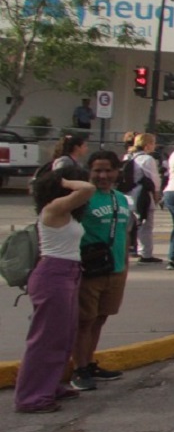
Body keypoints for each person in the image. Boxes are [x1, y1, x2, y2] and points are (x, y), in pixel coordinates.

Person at [13, 166, 95, 412]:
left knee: (63, 335)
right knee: (45, 338)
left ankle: (50, 384)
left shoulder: (64, 212)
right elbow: (88, 189)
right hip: (53, 275)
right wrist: (69, 181)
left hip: (67, 273)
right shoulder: (54, 208)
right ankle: (31, 397)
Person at [69, 150, 133, 392]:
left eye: (108, 170)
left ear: (117, 172)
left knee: (100, 319)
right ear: (89, 172)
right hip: (89, 271)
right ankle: (79, 368)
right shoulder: (82, 199)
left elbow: (125, 234)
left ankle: (90, 361)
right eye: (97, 170)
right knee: (84, 321)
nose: (103, 175)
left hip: (115, 269)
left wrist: (124, 265)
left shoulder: (121, 199)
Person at [123, 133, 164, 264]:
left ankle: (121, 250)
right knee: (145, 225)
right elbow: (154, 179)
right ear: (147, 145)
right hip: (142, 195)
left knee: (126, 225)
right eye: (153, 143)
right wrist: (157, 194)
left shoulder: (128, 156)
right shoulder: (147, 159)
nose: (154, 146)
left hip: (127, 194)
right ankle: (145, 254)